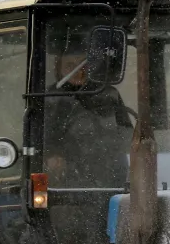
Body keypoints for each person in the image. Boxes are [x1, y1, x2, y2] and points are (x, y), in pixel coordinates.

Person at [43, 51, 133, 190]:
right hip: (66, 179)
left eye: (84, 66)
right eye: (70, 66)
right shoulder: (50, 98)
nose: (79, 72)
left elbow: (126, 133)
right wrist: (52, 154)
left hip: (109, 175)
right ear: (59, 68)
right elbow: (42, 137)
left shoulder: (108, 94)